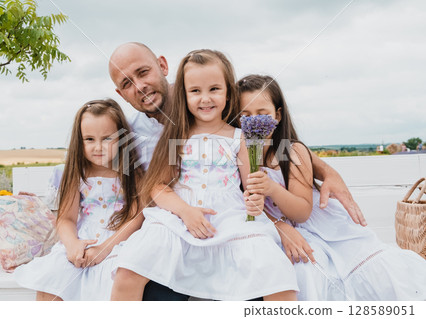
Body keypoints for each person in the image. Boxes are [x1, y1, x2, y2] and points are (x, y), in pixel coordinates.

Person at [108, 42, 367, 227]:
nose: (140, 86)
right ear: (120, 94)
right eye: (127, 83)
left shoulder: (212, 105)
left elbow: (271, 140)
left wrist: (326, 171)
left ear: (162, 65)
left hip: (238, 214)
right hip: (180, 221)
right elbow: (137, 187)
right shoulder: (127, 135)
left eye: (143, 73)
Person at [110, 50, 299, 301]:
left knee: (276, 273)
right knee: (129, 270)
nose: (205, 99)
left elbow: (251, 186)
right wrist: (185, 212)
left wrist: (255, 200)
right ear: (184, 95)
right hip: (179, 217)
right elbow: (156, 187)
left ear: (228, 93)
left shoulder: (239, 137)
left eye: (214, 89)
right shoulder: (176, 136)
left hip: (229, 215)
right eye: (195, 91)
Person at [239, 74, 426, 300]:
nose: (255, 122)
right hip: (278, 232)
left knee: (370, 269)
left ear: (277, 115)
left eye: (262, 114)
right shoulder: (242, 154)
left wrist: (272, 188)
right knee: (304, 270)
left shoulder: (292, 151)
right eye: (246, 116)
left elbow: (302, 212)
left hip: (316, 226)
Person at [14, 99, 144, 300]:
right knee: (53, 278)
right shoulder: (76, 173)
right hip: (83, 238)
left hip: (119, 240)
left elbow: (136, 217)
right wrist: (72, 244)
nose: (98, 147)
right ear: (79, 141)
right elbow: (66, 219)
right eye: (89, 139)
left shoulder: (131, 172)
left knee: (115, 276)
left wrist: (104, 248)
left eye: (107, 138)